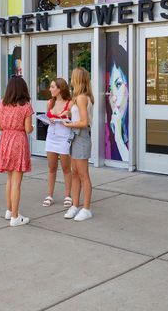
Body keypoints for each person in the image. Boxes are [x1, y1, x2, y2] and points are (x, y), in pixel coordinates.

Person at [0, 76, 33, 227]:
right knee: (17, 182)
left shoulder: (1, 104)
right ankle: (15, 217)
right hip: (18, 141)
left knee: (10, 180)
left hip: (5, 140)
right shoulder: (26, 106)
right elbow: (28, 129)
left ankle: (9, 210)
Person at [63, 67, 94, 221]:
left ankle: (86, 208)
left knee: (83, 175)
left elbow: (84, 122)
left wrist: (68, 124)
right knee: (75, 173)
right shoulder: (79, 97)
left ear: (77, 79)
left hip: (81, 137)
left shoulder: (82, 98)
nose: (71, 79)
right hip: (76, 137)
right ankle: (75, 205)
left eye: (73, 76)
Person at [42, 78, 73, 208]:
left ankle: (68, 195)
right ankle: (49, 195)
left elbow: (74, 121)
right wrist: (48, 120)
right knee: (51, 167)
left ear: (60, 89)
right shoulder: (50, 102)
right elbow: (46, 118)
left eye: (52, 87)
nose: (50, 89)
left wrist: (68, 115)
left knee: (66, 168)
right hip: (51, 136)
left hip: (64, 136)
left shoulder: (70, 103)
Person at [106, 39, 130, 162]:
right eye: (110, 89)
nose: (113, 97)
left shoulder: (136, 126)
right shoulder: (109, 128)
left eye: (119, 84)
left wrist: (119, 139)